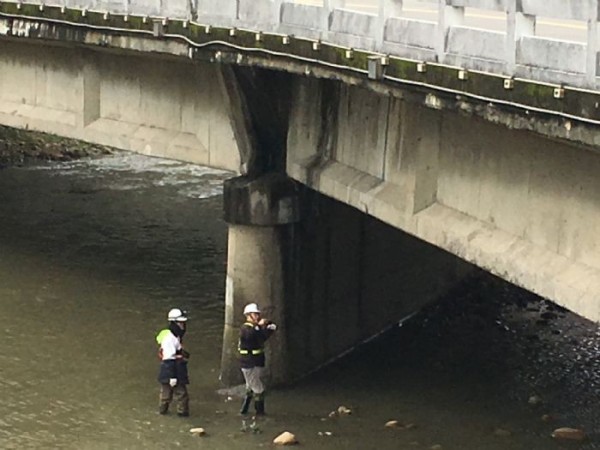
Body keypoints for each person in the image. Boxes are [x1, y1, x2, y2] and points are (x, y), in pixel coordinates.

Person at [238, 303, 277, 415]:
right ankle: (260, 413)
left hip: (256, 362)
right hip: (249, 363)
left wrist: (268, 327)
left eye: (257, 314)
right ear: (248, 315)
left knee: (250, 387)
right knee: (258, 389)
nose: (257, 316)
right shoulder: (246, 329)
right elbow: (252, 336)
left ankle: (244, 411)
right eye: (255, 314)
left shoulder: (255, 328)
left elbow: (262, 337)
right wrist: (260, 326)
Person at [156, 307, 190, 417]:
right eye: (181, 323)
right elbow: (169, 358)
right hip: (172, 369)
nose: (183, 325)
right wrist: (172, 376)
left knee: (166, 394)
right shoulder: (170, 338)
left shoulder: (175, 336)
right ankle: (182, 415)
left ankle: (163, 413)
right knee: (180, 395)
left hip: (174, 368)